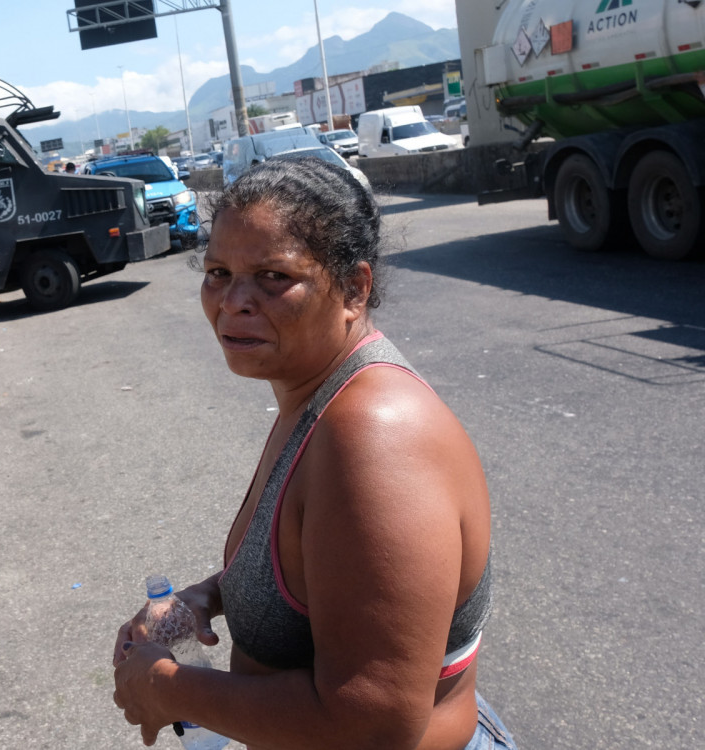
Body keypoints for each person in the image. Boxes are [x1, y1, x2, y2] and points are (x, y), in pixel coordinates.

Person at [111, 159, 515, 750]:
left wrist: (166, 688)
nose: (234, 302)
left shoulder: (374, 436)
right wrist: (205, 596)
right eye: (218, 272)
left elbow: (373, 723)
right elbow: (317, 566)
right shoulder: (313, 397)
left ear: (354, 288)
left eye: (273, 276)